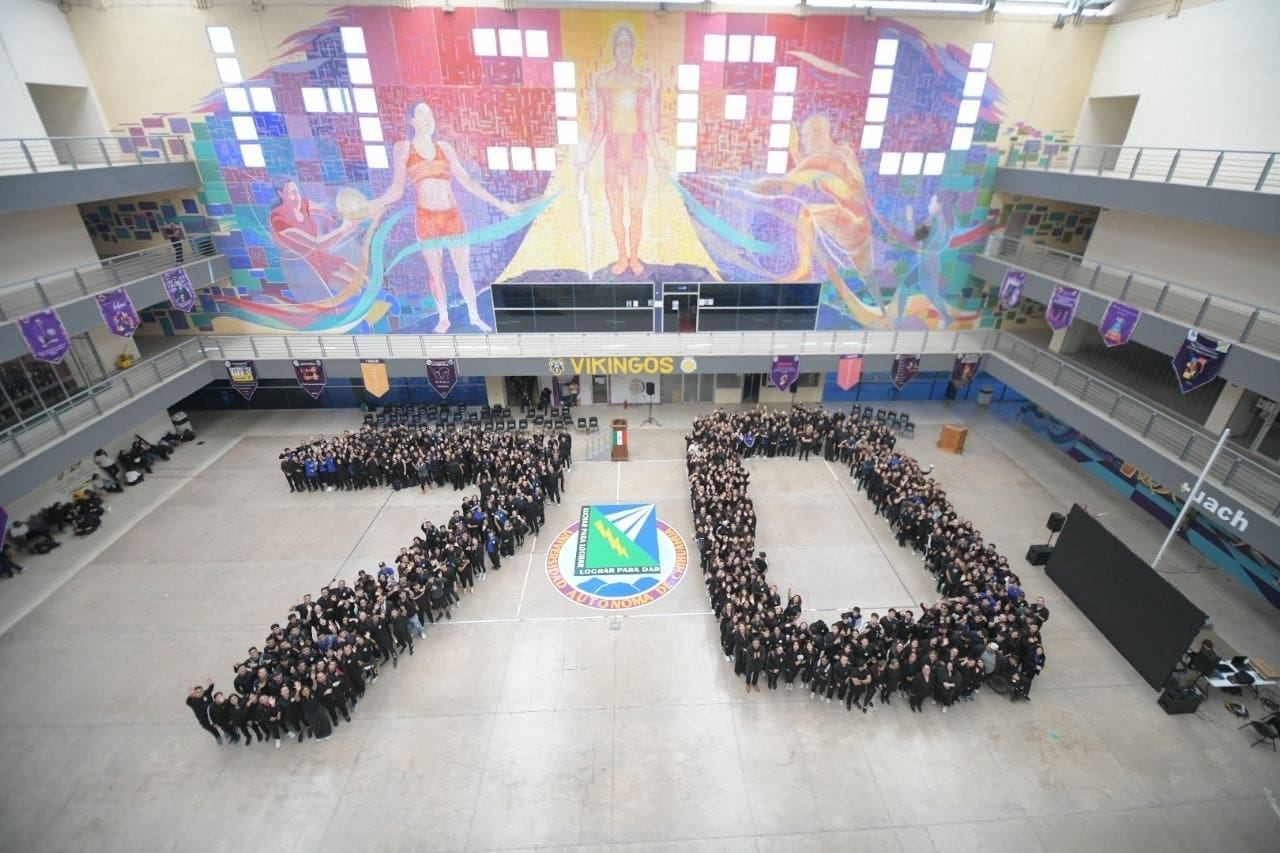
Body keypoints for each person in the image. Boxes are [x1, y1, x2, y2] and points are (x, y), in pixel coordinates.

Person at [371, 101, 521, 333]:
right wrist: (371, 205)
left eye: (430, 114)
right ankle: (443, 318)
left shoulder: (444, 148)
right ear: (411, 120)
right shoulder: (404, 148)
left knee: (463, 270)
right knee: (435, 272)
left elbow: (467, 182)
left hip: (452, 216)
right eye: (422, 114)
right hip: (426, 218)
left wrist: (500, 204)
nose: (428, 118)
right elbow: (396, 190)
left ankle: (474, 316)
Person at [578, 23, 666, 277]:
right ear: (614, 48)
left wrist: (657, 157)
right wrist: (587, 158)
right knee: (616, 210)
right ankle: (621, 257)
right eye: (620, 44)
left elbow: (647, 123)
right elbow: (601, 124)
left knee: (636, 209)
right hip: (613, 154)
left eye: (628, 44)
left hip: (637, 153)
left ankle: (634, 256)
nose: (624, 49)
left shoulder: (642, 82)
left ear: (632, 48)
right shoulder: (603, 81)